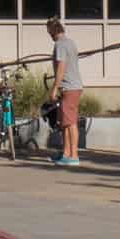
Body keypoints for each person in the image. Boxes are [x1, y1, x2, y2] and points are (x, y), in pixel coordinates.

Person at [46, 16, 83, 166]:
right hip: (73, 87)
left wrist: (54, 88)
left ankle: (73, 156)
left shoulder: (60, 45)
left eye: (49, 33)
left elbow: (61, 67)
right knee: (65, 123)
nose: (49, 36)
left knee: (71, 122)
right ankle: (66, 153)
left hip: (69, 87)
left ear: (52, 32)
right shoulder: (70, 43)